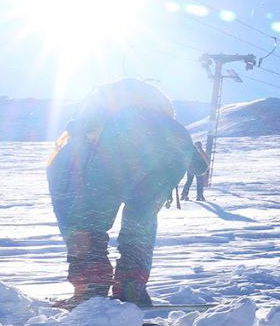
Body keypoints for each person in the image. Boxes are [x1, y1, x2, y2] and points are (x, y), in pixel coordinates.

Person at [47, 78, 194, 308]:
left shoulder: (103, 101)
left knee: (87, 220)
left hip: (119, 144)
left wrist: (75, 130)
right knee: (140, 224)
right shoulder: (156, 103)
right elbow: (184, 146)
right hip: (174, 151)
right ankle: (131, 290)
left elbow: (83, 128)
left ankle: (91, 289)